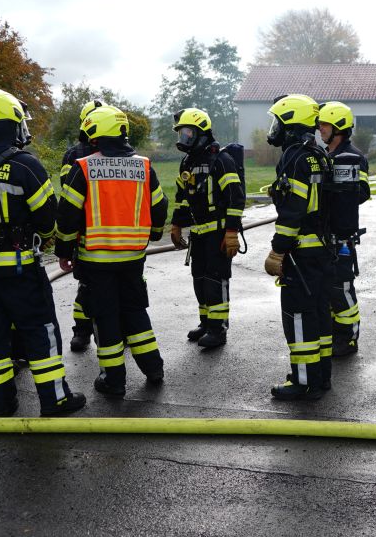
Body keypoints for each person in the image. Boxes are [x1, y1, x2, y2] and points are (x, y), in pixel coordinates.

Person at [0, 88, 85, 417]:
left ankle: (0, 404)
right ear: (11, 124)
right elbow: (47, 219)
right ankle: (54, 399)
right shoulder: (25, 165)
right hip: (20, 269)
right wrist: (44, 237)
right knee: (40, 329)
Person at [56, 105, 168, 398]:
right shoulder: (144, 166)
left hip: (96, 260)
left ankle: (114, 380)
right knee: (135, 312)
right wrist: (155, 233)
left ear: (95, 135)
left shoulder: (84, 167)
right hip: (133, 258)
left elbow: (67, 214)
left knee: (105, 318)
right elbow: (160, 205)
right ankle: (154, 368)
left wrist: (64, 250)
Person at [263, 93, 333, 400]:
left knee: (300, 317)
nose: (275, 129)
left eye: (278, 122)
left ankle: (304, 382)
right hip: (321, 250)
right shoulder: (318, 154)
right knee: (319, 314)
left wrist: (277, 250)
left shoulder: (294, 157)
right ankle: (321, 377)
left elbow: (293, 211)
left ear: (291, 124)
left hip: (300, 253)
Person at [169, 107, 244, 349]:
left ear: (201, 133)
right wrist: (176, 225)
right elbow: (182, 198)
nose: (183, 137)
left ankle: (218, 329)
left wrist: (231, 232)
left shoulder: (221, 160)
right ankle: (205, 322)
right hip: (198, 233)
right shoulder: (187, 162)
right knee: (199, 279)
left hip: (218, 233)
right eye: (181, 133)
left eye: (187, 132)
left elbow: (235, 198)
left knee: (215, 280)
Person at [316, 102, 370, 357]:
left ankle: (348, 338)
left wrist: (340, 188)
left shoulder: (353, 157)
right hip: (323, 234)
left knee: (342, 289)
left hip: (341, 235)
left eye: (324, 125)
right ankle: (332, 333)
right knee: (326, 288)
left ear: (338, 127)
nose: (320, 129)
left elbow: (363, 192)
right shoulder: (323, 155)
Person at [61, 99, 105, 353]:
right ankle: (82, 330)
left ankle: (118, 330)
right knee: (86, 285)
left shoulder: (119, 153)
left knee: (116, 286)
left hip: (110, 229)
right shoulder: (74, 155)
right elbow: (68, 197)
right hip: (85, 232)